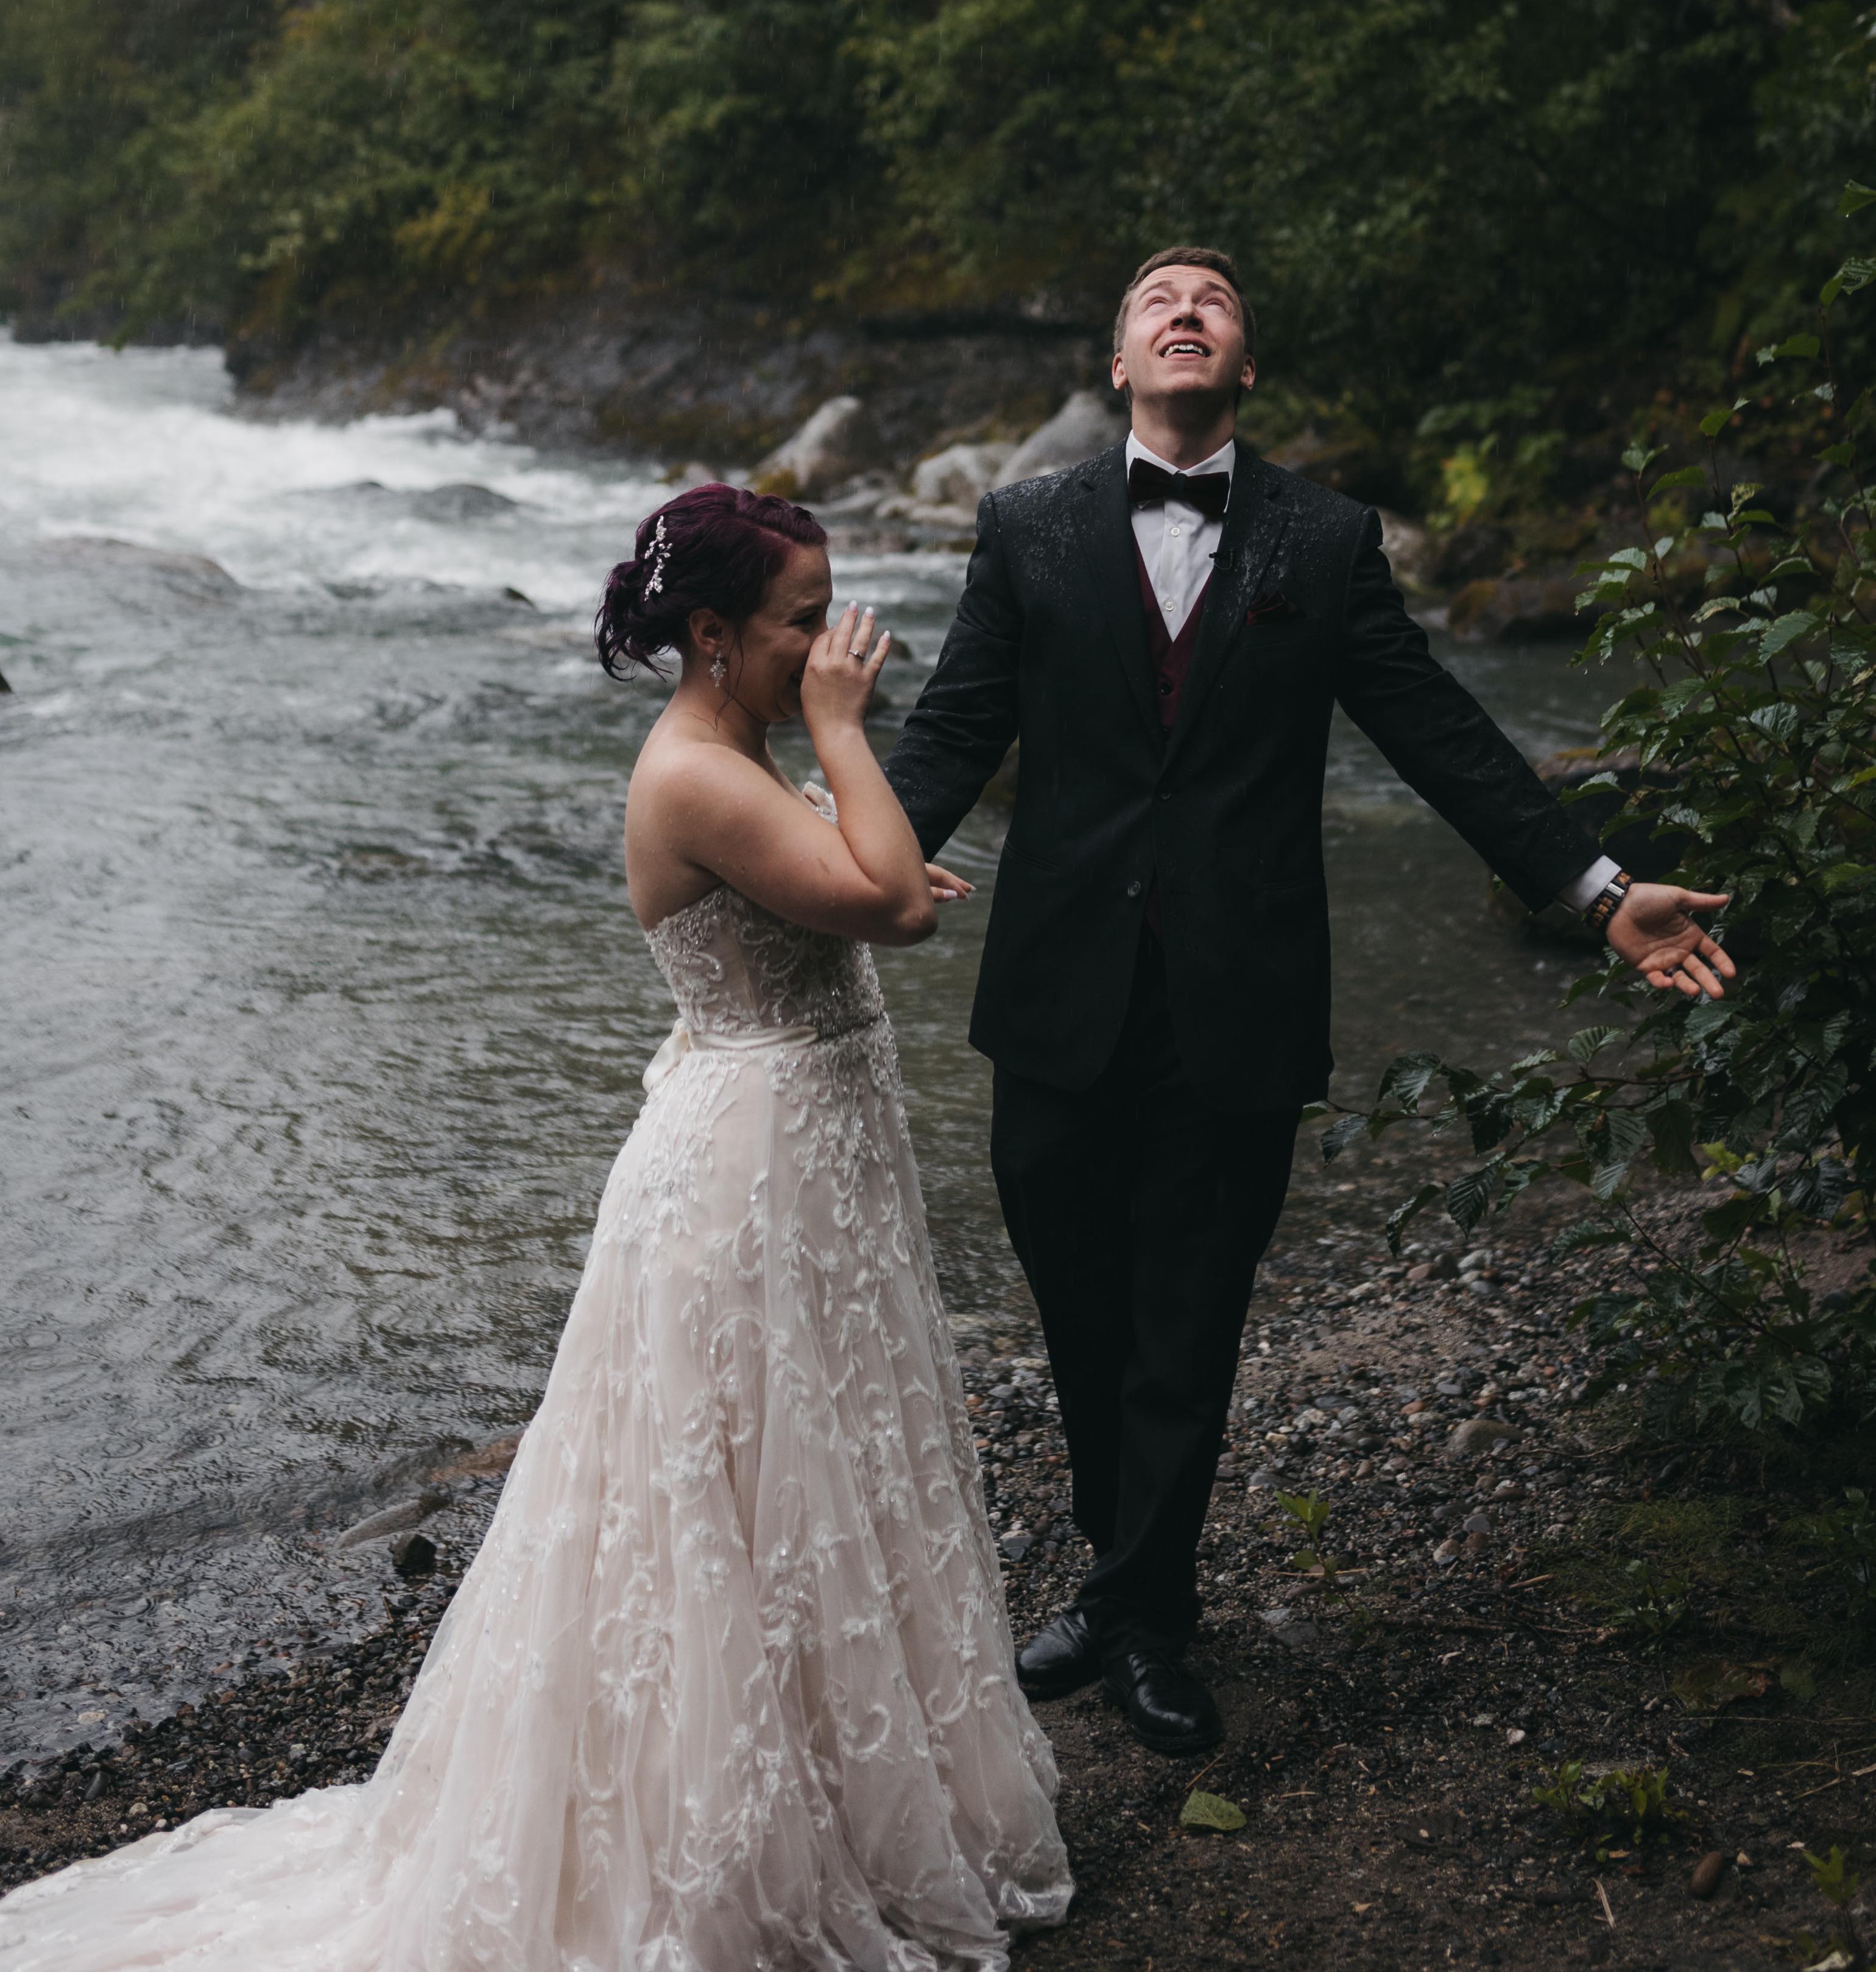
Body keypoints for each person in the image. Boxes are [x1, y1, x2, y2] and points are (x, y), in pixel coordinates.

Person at [0, 483, 1071, 1972]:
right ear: (713, 636)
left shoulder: (730, 750)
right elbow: (891, 910)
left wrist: (834, 829)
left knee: (815, 1484)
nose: (832, 645)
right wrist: (845, 743)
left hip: (800, 1160)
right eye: (803, 624)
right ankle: (711, 1855)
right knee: (727, 1512)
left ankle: (834, 1798)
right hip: (744, 1181)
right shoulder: (697, 769)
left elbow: (848, 883)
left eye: (828, 620)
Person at [885, 246, 1737, 1759]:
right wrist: (834, 875)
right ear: (1118, 363)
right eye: (1157, 301)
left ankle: (1145, 1617)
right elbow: (952, 731)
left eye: (1211, 301)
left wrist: (1600, 892)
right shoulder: (1024, 525)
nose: (1185, 311)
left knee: (1191, 1318)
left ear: (1245, 368)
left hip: (1239, 1001)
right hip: (1058, 995)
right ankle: (1120, 1558)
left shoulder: (1325, 539)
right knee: (1080, 1306)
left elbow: (1440, 732)